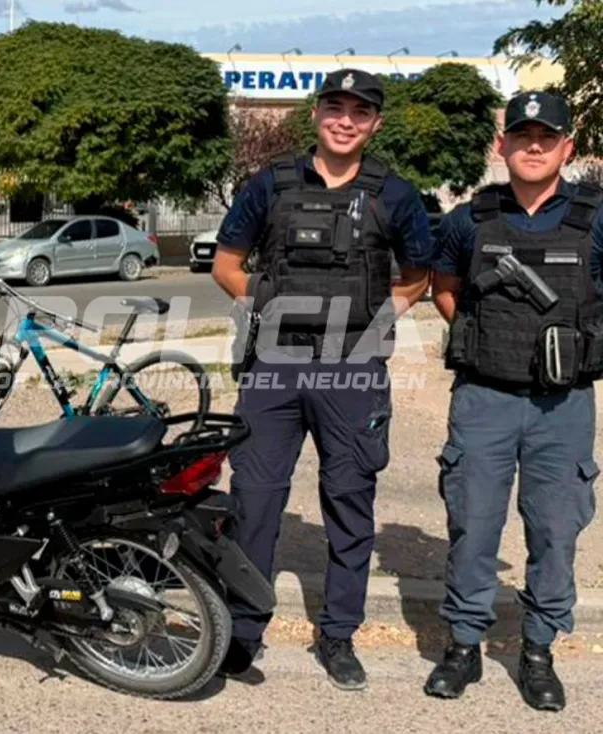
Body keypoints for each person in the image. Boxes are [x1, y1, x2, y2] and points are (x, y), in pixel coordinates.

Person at [211, 68, 436, 688]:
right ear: (316, 114)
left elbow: (418, 275)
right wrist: (268, 303)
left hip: (352, 371)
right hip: (273, 370)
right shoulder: (271, 184)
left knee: (348, 502)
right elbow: (226, 265)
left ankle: (338, 636)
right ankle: (244, 629)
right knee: (254, 501)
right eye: (334, 107)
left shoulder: (397, 194)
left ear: (374, 124)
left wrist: (370, 322)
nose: (345, 119)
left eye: (358, 112)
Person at [425, 90, 603, 712]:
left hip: (564, 405)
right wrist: (485, 341)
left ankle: (537, 651)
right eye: (521, 135)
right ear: (501, 144)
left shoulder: (596, 217)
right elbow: (443, 288)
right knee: (473, 524)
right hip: (484, 398)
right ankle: (464, 646)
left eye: (546, 137)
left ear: (566, 147)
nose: (532, 146)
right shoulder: (469, 218)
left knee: (555, 530)